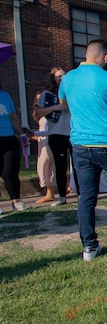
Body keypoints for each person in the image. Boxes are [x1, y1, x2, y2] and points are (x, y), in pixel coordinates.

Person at [59, 39, 107, 260]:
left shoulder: (68, 78)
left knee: (87, 196)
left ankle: (89, 246)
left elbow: (65, 104)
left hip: (80, 144)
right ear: (106, 57)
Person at [32, 67, 73, 206]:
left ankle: (82, 194)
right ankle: (61, 196)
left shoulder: (73, 92)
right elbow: (37, 114)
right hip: (57, 133)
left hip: (75, 133)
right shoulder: (47, 95)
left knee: (79, 165)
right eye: (59, 76)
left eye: (64, 76)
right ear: (53, 79)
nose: (62, 79)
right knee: (60, 166)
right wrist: (55, 108)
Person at [0, 79, 27, 214]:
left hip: (8, 137)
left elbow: (13, 117)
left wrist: (22, 135)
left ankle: (16, 201)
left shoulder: (5, 95)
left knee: (10, 171)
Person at [31, 116, 57, 203]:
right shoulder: (42, 114)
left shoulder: (51, 114)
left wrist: (35, 133)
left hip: (49, 142)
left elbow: (50, 130)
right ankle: (50, 191)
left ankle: (50, 193)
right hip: (42, 141)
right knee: (44, 166)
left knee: (47, 165)